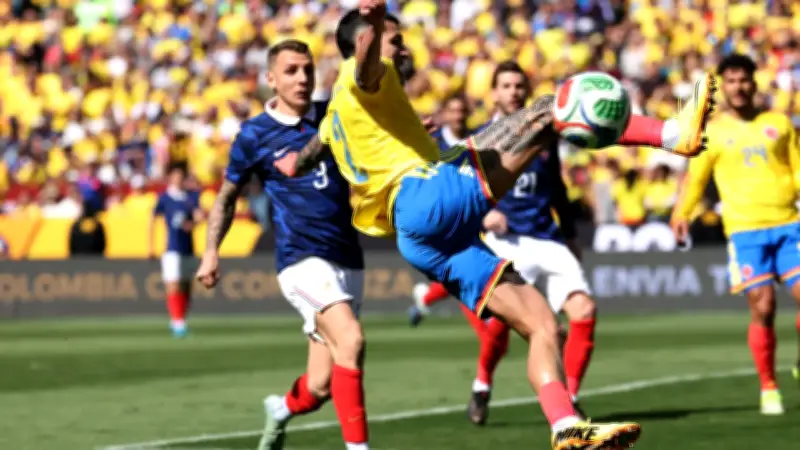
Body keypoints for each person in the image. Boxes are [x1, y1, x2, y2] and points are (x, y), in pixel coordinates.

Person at [276, 3, 714, 449]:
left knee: (544, 324)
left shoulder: (335, 115)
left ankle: (565, 425)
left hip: (421, 239)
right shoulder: (363, 72)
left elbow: (313, 149)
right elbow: (366, 60)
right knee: (549, 110)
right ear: (363, 42)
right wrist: (372, 23)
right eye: (395, 39)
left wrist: (294, 163)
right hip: (427, 195)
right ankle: (670, 134)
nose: (402, 47)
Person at [195, 40, 367, 450]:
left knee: (322, 386)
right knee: (352, 339)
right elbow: (227, 195)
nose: (303, 78)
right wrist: (210, 251)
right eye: (291, 71)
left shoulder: (333, 115)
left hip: (348, 256)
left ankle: (282, 409)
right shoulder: (254, 134)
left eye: (307, 69)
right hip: (301, 260)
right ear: (271, 78)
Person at [410, 61, 597, 426]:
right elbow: (452, 193)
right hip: (503, 241)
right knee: (501, 326)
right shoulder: (481, 138)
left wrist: (571, 235)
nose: (513, 92)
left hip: (546, 235)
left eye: (518, 86)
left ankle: (569, 399)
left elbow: (556, 187)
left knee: (584, 312)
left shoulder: (545, 135)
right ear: (494, 93)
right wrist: (480, 217)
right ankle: (483, 384)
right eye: (506, 86)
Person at [670, 53, 800, 416]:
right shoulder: (711, 132)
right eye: (731, 81)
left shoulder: (779, 123)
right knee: (764, 306)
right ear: (722, 86)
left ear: (754, 83)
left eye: (744, 80)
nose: (739, 87)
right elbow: (695, 179)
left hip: (790, 224)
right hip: (745, 232)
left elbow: (796, 167)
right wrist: (682, 213)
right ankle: (769, 387)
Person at [150, 163, 203, 338]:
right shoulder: (165, 198)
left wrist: (194, 223)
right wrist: (151, 245)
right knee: (173, 284)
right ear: (170, 178)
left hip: (188, 247)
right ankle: (177, 322)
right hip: (172, 247)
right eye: (176, 177)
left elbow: (198, 216)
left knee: (187, 286)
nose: (179, 180)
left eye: (181, 177)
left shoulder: (190, 197)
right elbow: (152, 219)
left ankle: (182, 319)